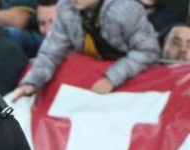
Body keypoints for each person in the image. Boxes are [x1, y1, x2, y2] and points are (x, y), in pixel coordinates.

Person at [11, 0, 160, 99]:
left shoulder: (127, 9)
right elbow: (51, 52)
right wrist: (31, 82)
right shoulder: (65, 7)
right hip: (92, 86)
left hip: (131, 87)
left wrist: (112, 78)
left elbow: (148, 51)